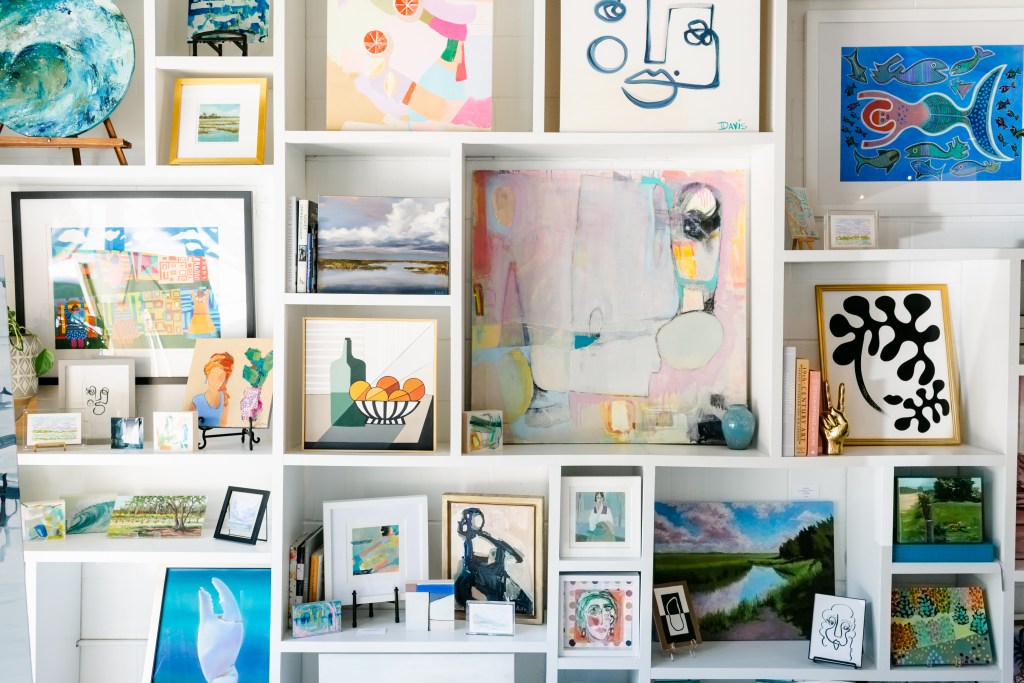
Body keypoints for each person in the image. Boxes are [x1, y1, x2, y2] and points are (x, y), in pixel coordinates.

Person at [190, 352, 233, 427]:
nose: (215, 381)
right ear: (208, 374)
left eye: (220, 377)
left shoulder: (224, 399)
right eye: (213, 375)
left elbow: (224, 425)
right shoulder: (196, 402)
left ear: (224, 381)